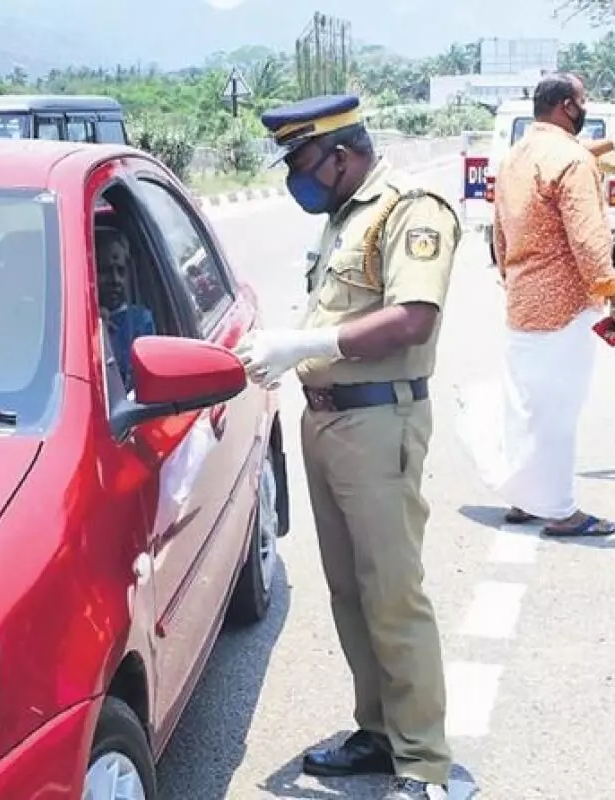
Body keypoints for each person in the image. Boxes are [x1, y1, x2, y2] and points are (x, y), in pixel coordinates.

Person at [236, 94, 460, 800]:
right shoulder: (344, 215)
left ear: (342, 152)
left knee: (393, 595)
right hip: (327, 420)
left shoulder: (409, 208)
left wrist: (306, 344)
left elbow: (413, 318)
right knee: (349, 592)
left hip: (378, 424)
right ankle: (378, 729)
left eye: (301, 160)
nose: (293, 177)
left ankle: (422, 762)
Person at [485, 72, 615, 535]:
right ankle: (561, 510)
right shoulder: (571, 161)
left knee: (525, 406)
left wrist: (511, 276)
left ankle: (524, 499)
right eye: (583, 101)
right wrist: (610, 291)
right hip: (565, 306)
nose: (586, 107)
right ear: (565, 106)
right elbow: (589, 239)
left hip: (523, 300)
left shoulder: (515, 157)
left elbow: (498, 234)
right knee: (558, 411)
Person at [95, 226, 155, 389]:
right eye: (105, 271)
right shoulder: (74, 327)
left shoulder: (141, 322)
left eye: (120, 271)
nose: (115, 280)